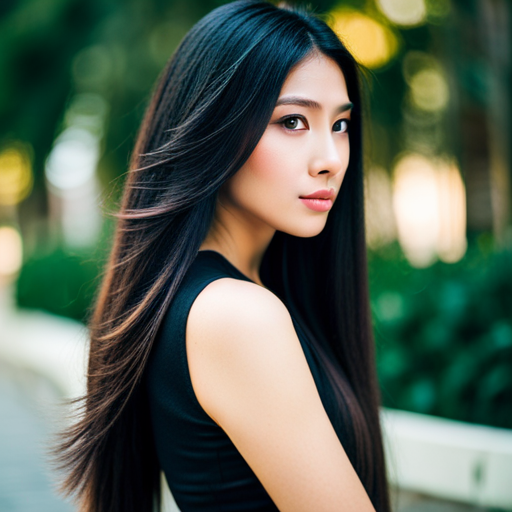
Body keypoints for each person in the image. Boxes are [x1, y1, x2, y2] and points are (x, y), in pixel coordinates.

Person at [55, 1, 391, 511]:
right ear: (213, 127)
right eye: (294, 121)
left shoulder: (215, 295)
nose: (330, 160)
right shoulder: (237, 316)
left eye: (340, 125)